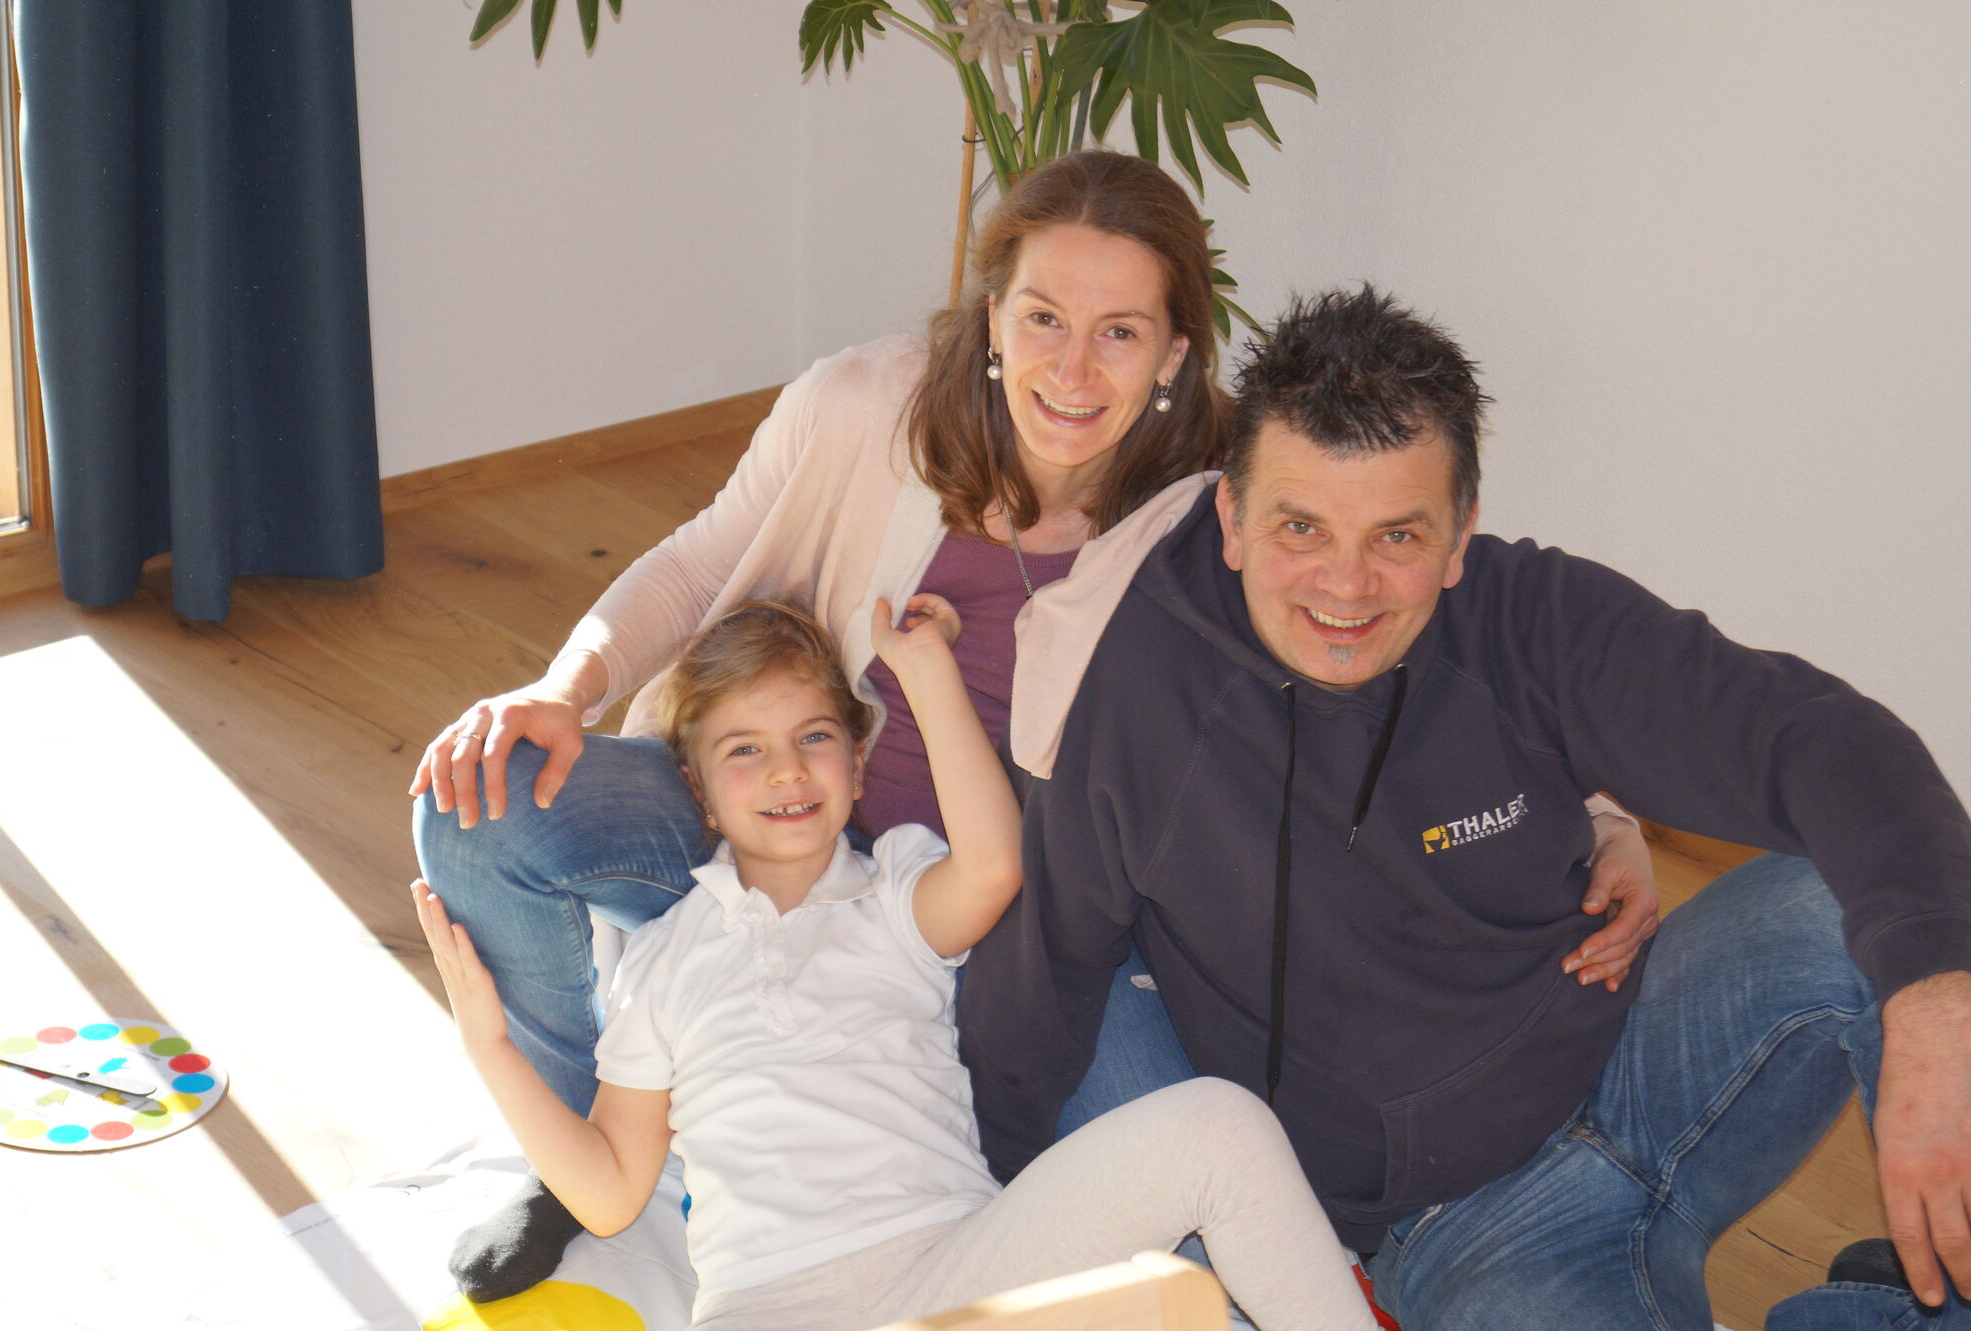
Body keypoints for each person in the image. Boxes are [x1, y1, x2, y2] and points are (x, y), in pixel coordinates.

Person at [412, 148, 1656, 1300]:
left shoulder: (1215, 499)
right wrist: (563, 689)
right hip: (770, 820)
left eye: (1119, 332)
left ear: (1173, 353)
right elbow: (698, 561)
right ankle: (584, 1147)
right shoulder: (862, 406)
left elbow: (1398, 625)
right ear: (992, 319)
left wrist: (1595, 811)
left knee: (1218, 1219)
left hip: (1025, 923)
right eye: (1043, 318)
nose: (1072, 370)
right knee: (481, 800)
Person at [957, 285, 1971, 1330]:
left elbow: (1825, 740)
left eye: (1397, 536)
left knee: (1872, 911)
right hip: (1459, 1229)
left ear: (1458, 536)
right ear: (1232, 521)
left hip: (1635, 1055)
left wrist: (1938, 1003)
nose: (1345, 586)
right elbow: (1039, 985)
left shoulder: (1526, 617)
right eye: (1301, 527)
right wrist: (997, 1238)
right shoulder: (1140, 696)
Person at [414, 599, 1378, 1331]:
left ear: (858, 765)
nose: (787, 769)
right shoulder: (661, 959)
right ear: (699, 793)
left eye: (815, 737)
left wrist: (926, 670)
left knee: (1217, 1124)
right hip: (767, 1305)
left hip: (956, 1269)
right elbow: (612, 1189)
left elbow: (994, 865)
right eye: (745, 750)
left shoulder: (894, 888)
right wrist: (491, 1047)